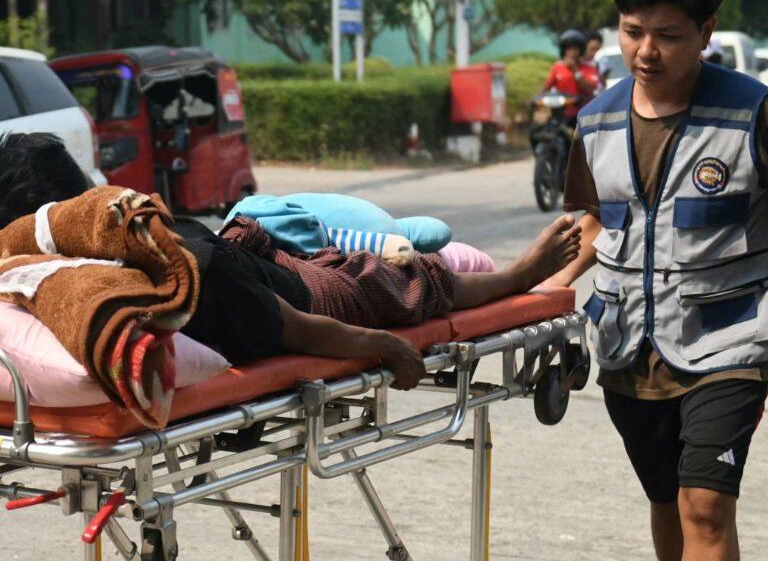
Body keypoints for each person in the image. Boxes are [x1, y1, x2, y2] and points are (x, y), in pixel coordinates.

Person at [545, 0, 768, 561]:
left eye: (668, 33)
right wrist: (533, 295)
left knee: (708, 502)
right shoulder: (597, 116)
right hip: (626, 346)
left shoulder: (751, 110)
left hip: (732, 340)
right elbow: (589, 221)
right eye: (632, 30)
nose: (645, 50)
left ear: (706, 30)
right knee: (668, 503)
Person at [0, 132, 581, 390]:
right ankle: (518, 275)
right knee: (403, 280)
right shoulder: (178, 265)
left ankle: (513, 276)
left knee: (374, 262)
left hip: (259, 266)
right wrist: (384, 345)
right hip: (295, 292)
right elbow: (303, 328)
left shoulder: (36, 274)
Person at [543, 30, 595, 122]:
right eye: (568, 49)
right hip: (560, 114)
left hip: (582, 114)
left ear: (580, 50)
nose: (571, 52)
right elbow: (546, 87)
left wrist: (575, 70)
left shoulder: (588, 68)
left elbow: (589, 89)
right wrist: (536, 98)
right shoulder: (557, 67)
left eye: (575, 49)